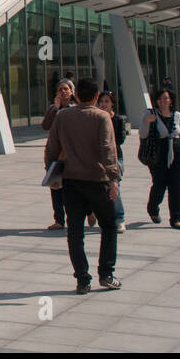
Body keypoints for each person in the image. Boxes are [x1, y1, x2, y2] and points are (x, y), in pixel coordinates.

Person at [43, 78, 121, 294]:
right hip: (97, 180)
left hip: (71, 181)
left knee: (75, 232)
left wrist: (51, 174)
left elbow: (52, 147)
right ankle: (106, 273)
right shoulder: (102, 117)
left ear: (76, 96)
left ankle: (82, 279)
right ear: (96, 97)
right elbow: (107, 149)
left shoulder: (63, 116)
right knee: (109, 225)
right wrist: (114, 177)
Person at [141, 88, 180, 230]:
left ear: (171, 100)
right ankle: (153, 208)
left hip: (177, 152)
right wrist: (146, 122)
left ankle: (176, 218)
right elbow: (142, 134)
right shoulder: (150, 113)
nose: (163, 102)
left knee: (176, 187)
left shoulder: (178, 116)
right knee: (159, 184)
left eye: (165, 98)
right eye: (160, 99)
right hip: (158, 153)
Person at [40, 79, 76, 230]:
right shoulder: (53, 109)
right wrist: (55, 109)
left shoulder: (75, 109)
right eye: (60, 89)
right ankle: (59, 220)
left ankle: (82, 213)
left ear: (72, 92)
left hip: (70, 153)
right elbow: (45, 126)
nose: (63, 92)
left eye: (66, 89)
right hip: (54, 152)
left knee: (71, 188)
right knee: (54, 186)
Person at [95, 92, 127, 233]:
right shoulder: (96, 118)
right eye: (101, 101)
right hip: (99, 157)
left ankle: (120, 219)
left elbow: (120, 139)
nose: (104, 104)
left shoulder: (118, 119)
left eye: (107, 101)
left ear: (112, 103)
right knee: (102, 190)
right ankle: (107, 218)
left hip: (115, 157)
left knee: (115, 187)